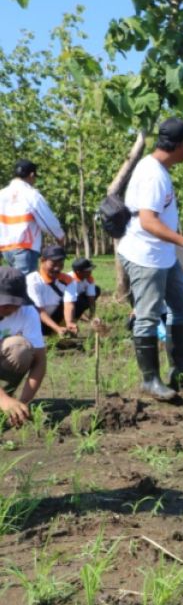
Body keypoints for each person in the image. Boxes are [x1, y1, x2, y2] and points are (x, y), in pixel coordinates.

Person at [120, 117, 183, 399]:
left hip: (162, 255)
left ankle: (179, 367)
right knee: (147, 316)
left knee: (182, 303)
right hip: (146, 255)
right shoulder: (153, 175)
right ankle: (150, 380)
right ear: (181, 145)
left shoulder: (156, 168)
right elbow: (148, 221)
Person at [0, 268, 48, 427]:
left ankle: (8, 404)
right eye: (5, 303)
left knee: (21, 349)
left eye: (15, 303)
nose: (10, 308)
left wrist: (23, 403)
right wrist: (4, 400)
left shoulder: (28, 312)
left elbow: (40, 362)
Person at [0, 160, 65, 275]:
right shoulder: (31, 195)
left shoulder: (2, 194)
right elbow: (47, 221)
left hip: (6, 248)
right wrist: (59, 236)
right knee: (27, 287)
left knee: (14, 283)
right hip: (25, 247)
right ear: (31, 175)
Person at [26, 246, 79, 337]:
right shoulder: (33, 280)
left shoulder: (69, 280)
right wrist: (56, 327)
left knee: (79, 301)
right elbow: (39, 310)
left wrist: (69, 322)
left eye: (61, 264)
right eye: (53, 264)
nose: (57, 268)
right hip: (34, 321)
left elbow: (69, 304)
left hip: (53, 316)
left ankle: (60, 332)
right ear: (42, 261)